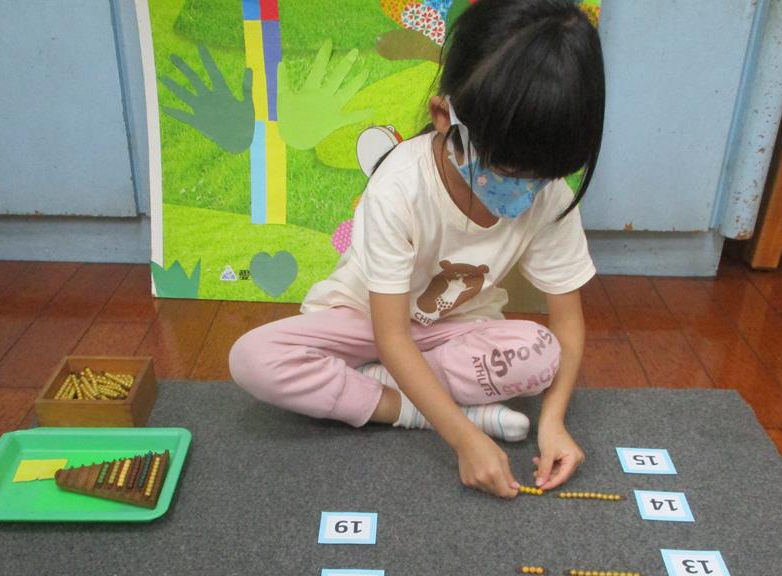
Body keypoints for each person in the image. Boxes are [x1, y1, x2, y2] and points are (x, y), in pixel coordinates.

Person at [229, 0, 605, 498]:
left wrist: (552, 423)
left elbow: (567, 322)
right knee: (253, 358)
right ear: (444, 117)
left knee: (541, 354)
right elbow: (390, 335)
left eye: (544, 175)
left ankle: (377, 387)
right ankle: (412, 409)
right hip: (364, 323)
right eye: (508, 170)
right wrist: (463, 435)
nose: (525, 191)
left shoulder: (548, 195)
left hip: (452, 334)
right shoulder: (400, 186)